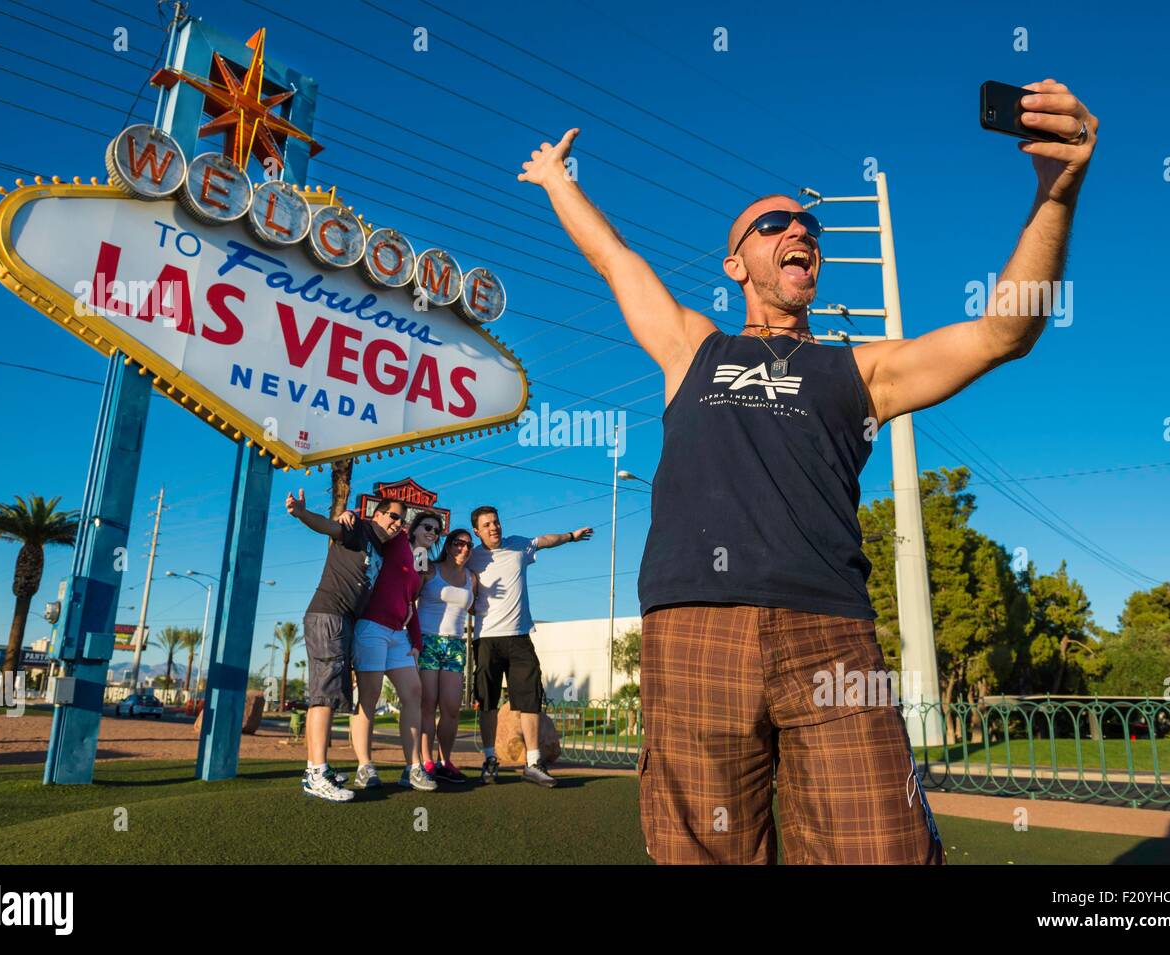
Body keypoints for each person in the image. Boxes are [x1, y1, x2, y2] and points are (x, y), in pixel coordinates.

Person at [518, 81, 1097, 863]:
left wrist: (1055, 193)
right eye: (774, 223)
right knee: (700, 852)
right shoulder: (693, 348)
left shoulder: (862, 369)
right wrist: (558, 181)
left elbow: (1005, 332)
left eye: (809, 225)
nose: (801, 231)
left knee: (881, 847)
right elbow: (616, 260)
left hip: (830, 633)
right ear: (735, 263)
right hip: (695, 625)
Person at [468, 506, 592, 787]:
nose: (494, 528)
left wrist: (571, 536)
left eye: (496, 522)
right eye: (487, 525)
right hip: (486, 639)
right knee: (487, 701)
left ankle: (534, 762)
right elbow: (454, 578)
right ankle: (489, 760)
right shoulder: (471, 557)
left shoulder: (518, 546)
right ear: (477, 531)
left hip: (520, 637)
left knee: (530, 701)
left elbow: (545, 540)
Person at [286, 487, 385, 803]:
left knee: (331, 693)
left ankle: (317, 769)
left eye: (402, 518)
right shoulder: (359, 530)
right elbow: (330, 527)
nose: (398, 522)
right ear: (376, 514)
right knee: (324, 695)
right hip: (327, 614)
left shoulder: (379, 547)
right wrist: (302, 514)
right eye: (392, 515)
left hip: (342, 619)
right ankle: (316, 773)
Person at [340, 501, 436, 792]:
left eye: (437, 530)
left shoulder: (418, 560)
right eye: (427, 527)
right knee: (369, 696)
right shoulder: (393, 541)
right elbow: (369, 529)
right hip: (372, 627)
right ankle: (364, 767)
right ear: (413, 528)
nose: (433, 532)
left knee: (413, 693)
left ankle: (413, 768)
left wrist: (416, 641)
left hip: (399, 633)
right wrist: (350, 516)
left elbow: (411, 602)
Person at [416, 527, 477, 784]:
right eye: (458, 543)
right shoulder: (430, 569)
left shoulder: (472, 578)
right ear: (448, 545)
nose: (463, 548)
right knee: (428, 705)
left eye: (468, 545)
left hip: (455, 645)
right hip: (428, 640)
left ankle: (445, 760)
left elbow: (476, 608)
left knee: (452, 707)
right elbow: (408, 594)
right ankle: (425, 760)